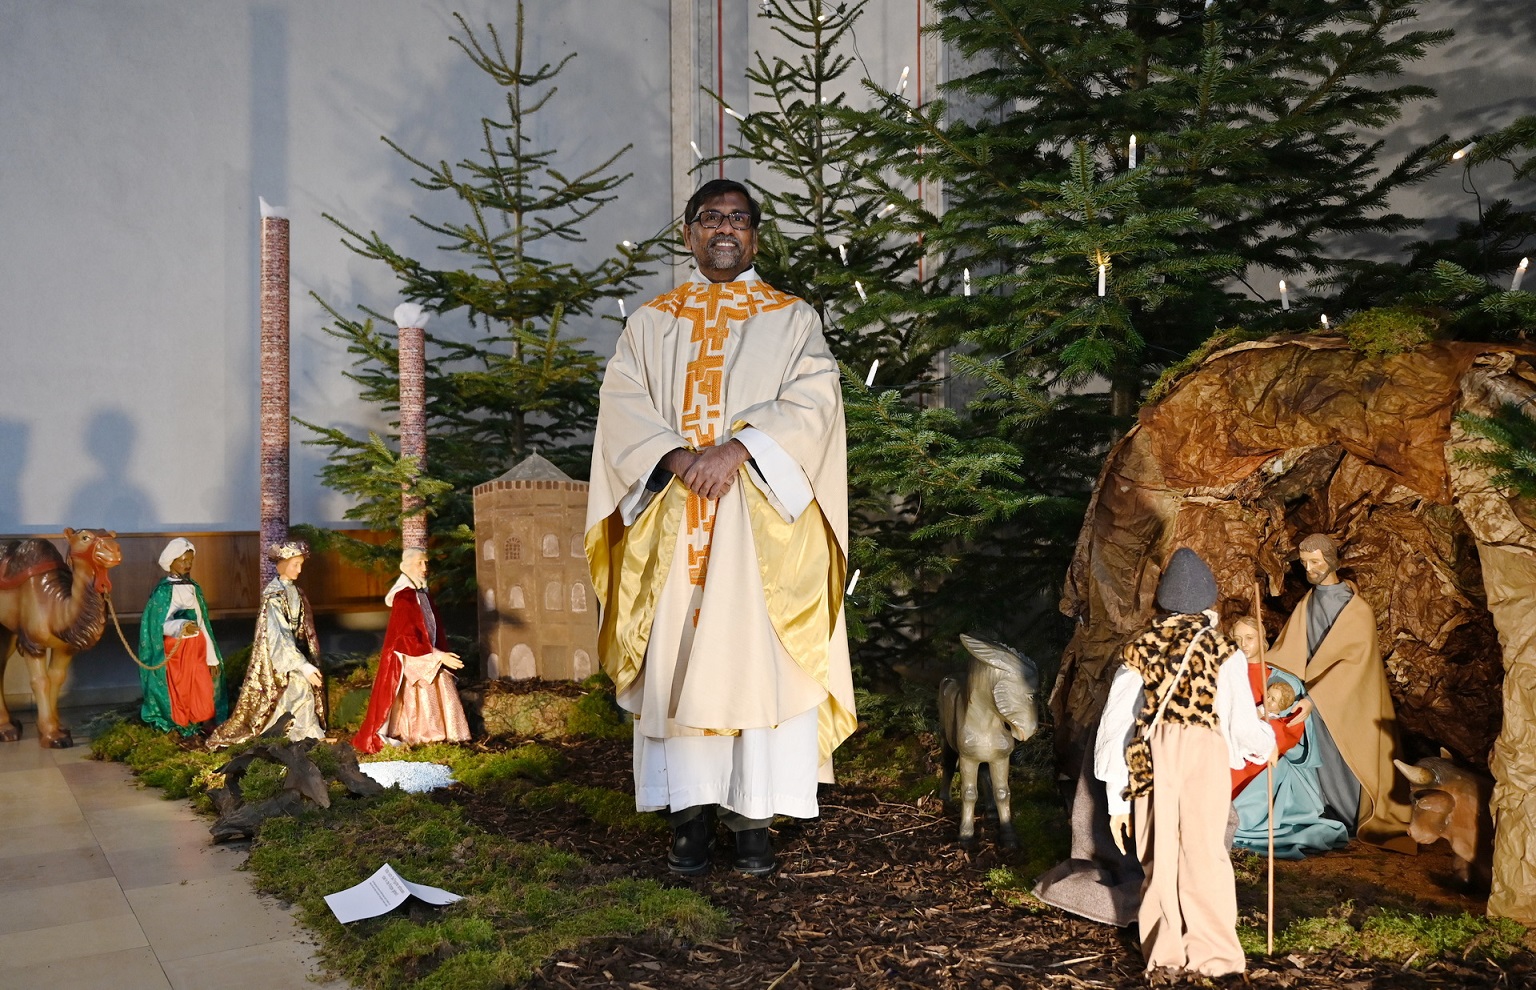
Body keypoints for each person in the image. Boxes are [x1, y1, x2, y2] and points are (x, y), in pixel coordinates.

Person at [584, 178, 856, 877]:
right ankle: (687, 819)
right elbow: (623, 403)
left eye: (738, 218)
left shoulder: (792, 319)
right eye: (710, 218)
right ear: (689, 233)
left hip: (757, 528)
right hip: (675, 521)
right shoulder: (651, 323)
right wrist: (677, 457)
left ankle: (755, 819)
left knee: (756, 663)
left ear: (756, 235)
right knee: (676, 656)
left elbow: (816, 400)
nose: (724, 229)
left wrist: (739, 451)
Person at [1095, 548, 1277, 977]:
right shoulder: (1224, 650)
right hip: (1204, 753)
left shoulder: (1140, 648)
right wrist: (1263, 743)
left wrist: (1115, 798)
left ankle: (1164, 958)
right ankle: (1216, 959)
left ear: (1163, 600)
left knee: (1158, 857)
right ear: (1210, 599)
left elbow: (1116, 723)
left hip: (1153, 757)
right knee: (1206, 855)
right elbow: (1240, 720)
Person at [1265, 534, 1414, 851]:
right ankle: (1319, 811)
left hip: (1347, 704)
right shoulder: (1308, 603)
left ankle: (1349, 815)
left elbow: (1356, 663)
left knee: (1345, 755)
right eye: (1305, 563)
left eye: (1315, 562)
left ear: (1331, 560)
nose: (1310, 569)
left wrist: (1315, 698)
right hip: (1311, 702)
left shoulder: (1357, 611)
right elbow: (1289, 650)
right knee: (1315, 760)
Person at [1227, 616, 1349, 859]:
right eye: (1238, 639)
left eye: (1250, 638)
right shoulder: (1227, 674)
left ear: (1263, 638)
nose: (1244, 645)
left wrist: (1259, 741)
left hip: (1262, 755)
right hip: (1230, 750)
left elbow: (1291, 728)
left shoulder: (1280, 679)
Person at [207, 540, 325, 748]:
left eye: (300, 564)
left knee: (301, 689)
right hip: (280, 659)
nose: (299, 569)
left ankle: (302, 733)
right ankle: (293, 733)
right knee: (299, 687)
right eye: (294, 564)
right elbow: (278, 635)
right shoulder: (273, 596)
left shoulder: (297, 592)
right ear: (282, 565)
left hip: (295, 653)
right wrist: (303, 665)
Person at [352, 548, 469, 753]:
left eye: (426, 563)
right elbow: (405, 638)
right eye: (419, 563)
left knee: (440, 683)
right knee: (425, 689)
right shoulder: (405, 598)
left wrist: (439, 652)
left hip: (426, 654)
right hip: (411, 658)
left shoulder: (421, 594)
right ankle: (424, 734)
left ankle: (442, 735)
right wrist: (438, 656)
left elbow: (431, 629)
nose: (425, 568)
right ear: (406, 567)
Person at [138, 537, 228, 739]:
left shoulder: (193, 587)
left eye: (190, 560)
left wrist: (211, 658)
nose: (187, 564)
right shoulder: (163, 592)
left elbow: (203, 623)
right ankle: (179, 722)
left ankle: (200, 721)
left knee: (200, 685)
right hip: (176, 652)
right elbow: (158, 624)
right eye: (183, 560)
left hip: (197, 649)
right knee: (180, 688)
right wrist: (180, 626)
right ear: (171, 562)